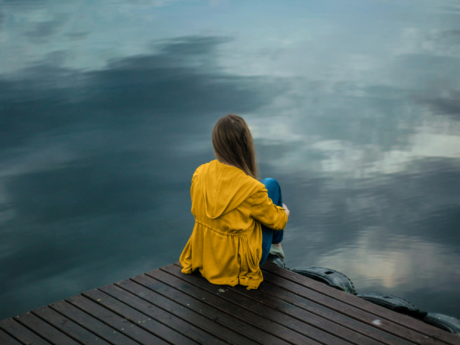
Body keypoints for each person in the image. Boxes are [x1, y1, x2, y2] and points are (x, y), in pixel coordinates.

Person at [179, 114, 290, 290]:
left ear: (216, 144)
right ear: (245, 146)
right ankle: (276, 249)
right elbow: (279, 222)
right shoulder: (252, 188)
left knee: (265, 188)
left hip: (207, 256)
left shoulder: (199, 173)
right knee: (271, 185)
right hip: (237, 265)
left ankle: (274, 248)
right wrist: (284, 211)